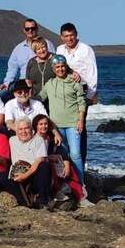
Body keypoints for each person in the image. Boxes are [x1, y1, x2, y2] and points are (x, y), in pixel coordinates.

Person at [36, 55, 87, 186]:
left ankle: (81, 184)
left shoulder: (75, 82)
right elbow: (39, 98)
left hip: (73, 124)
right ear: (53, 69)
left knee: (75, 154)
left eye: (62, 66)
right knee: (62, 156)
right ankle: (66, 182)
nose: (60, 69)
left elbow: (82, 103)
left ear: (66, 67)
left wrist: (81, 120)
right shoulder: (50, 84)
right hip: (56, 126)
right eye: (57, 67)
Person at [56, 22, 97, 170]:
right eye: (66, 36)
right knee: (65, 131)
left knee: (80, 130)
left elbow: (92, 75)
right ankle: (67, 167)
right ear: (61, 37)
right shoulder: (60, 49)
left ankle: (81, 165)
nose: (69, 39)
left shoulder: (86, 50)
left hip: (82, 93)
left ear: (76, 34)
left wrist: (89, 97)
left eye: (71, 35)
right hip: (65, 94)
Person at [33, 114, 86, 205]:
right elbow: (34, 157)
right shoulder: (33, 139)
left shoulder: (51, 137)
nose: (44, 126)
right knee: (51, 166)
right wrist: (49, 157)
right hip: (41, 167)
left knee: (71, 168)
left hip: (55, 163)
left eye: (45, 124)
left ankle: (80, 195)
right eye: (40, 124)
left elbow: (61, 150)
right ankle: (57, 192)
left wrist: (67, 164)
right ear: (36, 126)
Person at [1, 19, 55, 93]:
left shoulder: (47, 44)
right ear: (24, 30)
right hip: (23, 84)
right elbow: (12, 69)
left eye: (33, 28)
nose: (30, 30)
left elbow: (55, 63)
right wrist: (7, 83)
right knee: (2, 95)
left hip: (43, 83)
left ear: (37, 29)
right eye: (27, 29)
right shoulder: (18, 49)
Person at [9, 118, 52, 208]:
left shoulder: (39, 140)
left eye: (26, 128)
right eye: (20, 129)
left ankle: (43, 201)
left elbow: (39, 161)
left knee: (44, 166)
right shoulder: (12, 140)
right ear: (16, 131)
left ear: (31, 129)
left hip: (33, 174)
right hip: (16, 174)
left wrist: (24, 176)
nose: (23, 131)